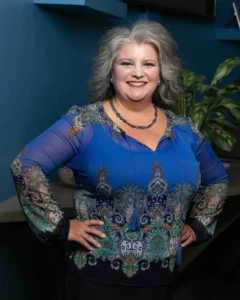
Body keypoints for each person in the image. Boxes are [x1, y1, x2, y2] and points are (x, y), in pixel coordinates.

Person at [10, 20, 228, 300]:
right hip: (95, 281)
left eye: (148, 64)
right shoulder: (84, 123)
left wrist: (199, 223)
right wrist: (61, 226)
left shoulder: (184, 130)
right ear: (111, 71)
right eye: (127, 63)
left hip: (162, 281)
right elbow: (25, 165)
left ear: (161, 73)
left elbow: (217, 180)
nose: (138, 73)